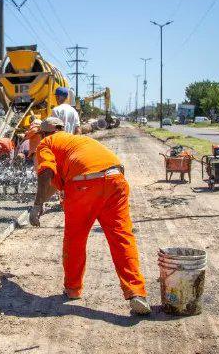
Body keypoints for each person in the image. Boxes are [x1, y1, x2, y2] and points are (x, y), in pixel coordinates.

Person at [29, 116, 150, 316]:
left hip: (83, 185)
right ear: (62, 129)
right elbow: (55, 183)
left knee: (75, 239)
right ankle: (136, 292)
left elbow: (46, 172)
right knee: (122, 237)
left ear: (43, 134)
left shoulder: (46, 143)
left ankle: (73, 289)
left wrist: (37, 205)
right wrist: (42, 200)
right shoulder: (78, 141)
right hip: (115, 179)